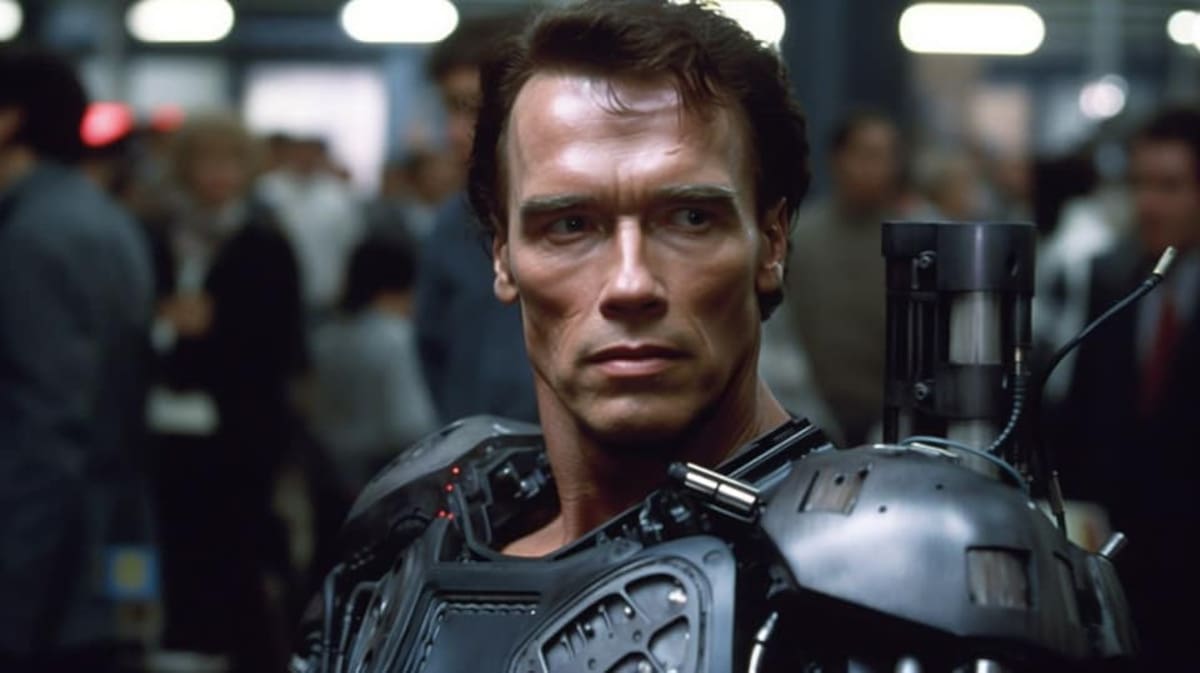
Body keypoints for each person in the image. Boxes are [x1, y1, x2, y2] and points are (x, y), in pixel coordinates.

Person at [0, 48, 156, 673]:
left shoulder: (32, 235)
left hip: (43, 570)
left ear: (10, 120)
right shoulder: (104, 219)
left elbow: (48, 424)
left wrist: (13, 603)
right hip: (106, 541)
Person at [144, 113, 306, 673]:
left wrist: (216, 329)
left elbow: (281, 340)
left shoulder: (264, 244)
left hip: (239, 426)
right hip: (163, 420)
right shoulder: (157, 237)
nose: (217, 174)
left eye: (229, 161)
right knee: (173, 538)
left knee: (234, 545)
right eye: (205, 161)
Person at [1051, 106, 1200, 670]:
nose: (1149, 203)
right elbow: (1085, 414)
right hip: (1121, 562)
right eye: (1140, 184)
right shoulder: (1113, 276)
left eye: (1169, 186)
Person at [413, 13, 541, 425]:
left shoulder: (590, 218)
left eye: (472, 108)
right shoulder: (452, 225)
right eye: (451, 109)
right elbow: (434, 352)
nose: (456, 132)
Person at [779, 112, 901, 446]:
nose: (879, 168)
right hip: (810, 420)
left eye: (888, 156)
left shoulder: (909, 244)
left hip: (890, 426)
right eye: (868, 155)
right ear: (838, 159)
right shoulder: (800, 239)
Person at [310, 235, 438, 492]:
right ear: (392, 290)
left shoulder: (323, 340)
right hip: (383, 475)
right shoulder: (393, 337)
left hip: (329, 473)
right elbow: (409, 424)